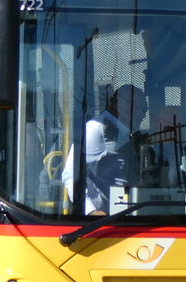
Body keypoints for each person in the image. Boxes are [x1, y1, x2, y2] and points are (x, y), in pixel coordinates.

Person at [62, 84, 149, 215]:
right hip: (103, 220)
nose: (144, 117)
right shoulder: (97, 129)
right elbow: (70, 173)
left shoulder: (124, 133)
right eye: (143, 110)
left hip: (125, 216)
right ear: (129, 106)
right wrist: (91, 211)